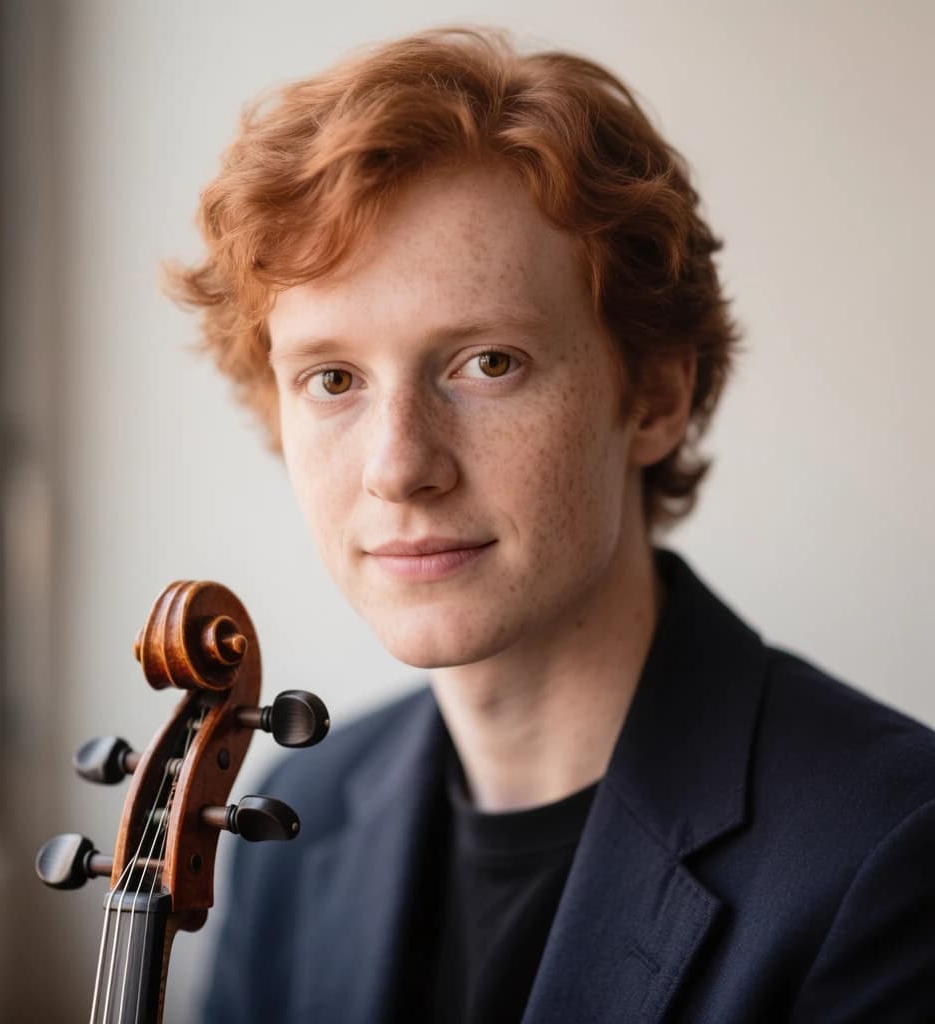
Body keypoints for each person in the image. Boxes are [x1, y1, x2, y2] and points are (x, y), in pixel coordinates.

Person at [169, 28, 935, 1023]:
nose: (398, 466)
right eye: (333, 379)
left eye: (487, 363)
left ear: (655, 395)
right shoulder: (292, 820)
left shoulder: (890, 854)